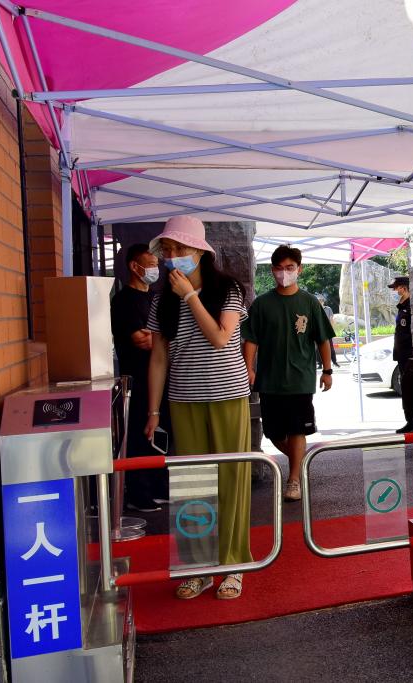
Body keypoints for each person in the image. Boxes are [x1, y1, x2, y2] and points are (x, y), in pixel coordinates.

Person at [144, 216, 253, 601]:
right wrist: (153, 412)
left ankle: (234, 564)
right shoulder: (161, 299)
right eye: (168, 249)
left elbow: (221, 338)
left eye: (180, 248)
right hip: (183, 398)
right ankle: (198, 567)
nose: (172, 256)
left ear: (200, 252)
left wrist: (190, 296)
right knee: (192, 484)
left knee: (231, 481)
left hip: (228, 396)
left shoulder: (228, 289)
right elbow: (159, 357)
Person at [242, 246, 334, 502]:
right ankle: (299, 463)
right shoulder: (262, 304)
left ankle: (293, 479)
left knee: (297, 430)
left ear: (299, 269)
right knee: (273, 432)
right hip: (269, 380)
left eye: (290, 268)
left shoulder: (309, 302)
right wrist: (248, 368)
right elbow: (251, 340)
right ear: (272, 270)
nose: (284, 273)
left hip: (300, 379)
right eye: (279, 268)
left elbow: (323, 339)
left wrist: (327, 371)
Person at [110, 243, 169, 513]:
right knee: (139, 433)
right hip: (136, 380)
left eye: (157, 265)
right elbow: (141, 340)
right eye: (152, 264)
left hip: (162, 379)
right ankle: (139, 493)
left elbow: (161, 336)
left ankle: (159, 487)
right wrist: (160, 338)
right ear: (135, 266)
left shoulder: (156, 298)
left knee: (162, 432)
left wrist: (157, 337)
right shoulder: (123, 301)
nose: (156, 269)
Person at [388, 276, 413, 433]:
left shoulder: (411, 307)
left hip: (408, 354)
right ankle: (409, 420)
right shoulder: (402, 306)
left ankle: (412, 422)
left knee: (409, 389)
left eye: (396, 288)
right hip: (401, 354)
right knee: (405, 388)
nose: (394, 291)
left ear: (404, 288)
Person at [318, 294, 340, 368]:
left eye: (321, 301)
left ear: (323, 302)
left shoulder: (328, 309)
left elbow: (331, 320)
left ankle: (334, 362)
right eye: (319, 301)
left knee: (330, 347)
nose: (320, 302)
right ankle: (320, 364)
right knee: (318, 348)